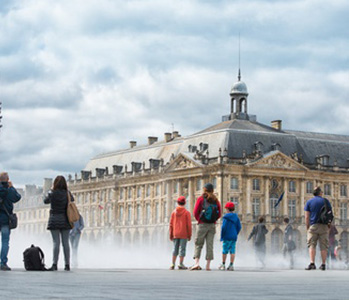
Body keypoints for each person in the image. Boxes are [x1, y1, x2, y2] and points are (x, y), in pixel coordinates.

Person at [44, 175, 73, 271]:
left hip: (54, 219)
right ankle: (67, 264)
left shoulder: (52, 193)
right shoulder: (67, 193)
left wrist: (50, 190)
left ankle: (54, 264)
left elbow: (45, 201)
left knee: (56, 243)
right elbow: (72, 200)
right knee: (66, 243)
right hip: (66, 219)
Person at [190, 183, 221, 271]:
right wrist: (213, 220)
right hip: (212, 225)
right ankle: (208, 265)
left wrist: (200, 219)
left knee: (198, 244)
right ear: (212, 190)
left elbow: (195, 212)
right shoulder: (216, 200)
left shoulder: (201, 199)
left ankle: (197, 263)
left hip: (202, 224)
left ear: (204, 190)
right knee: (210, 245)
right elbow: (219, 214)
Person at [304, 186, 332, 271]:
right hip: (324, 226)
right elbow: (330, 214)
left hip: (313, 225)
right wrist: (329, 226)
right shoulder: (326, 201)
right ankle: (323, 264)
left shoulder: (309, 202)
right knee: (324, 246)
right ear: (320, 193)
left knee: (312, 245)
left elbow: (307, 216)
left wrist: (308, 227)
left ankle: (312, 263)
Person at [0, 172, 21, 271]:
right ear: (7, 179)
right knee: (5, 242)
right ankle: (3, 262)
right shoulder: (9, 190)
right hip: (5, 219)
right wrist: (11, 187)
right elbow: (17, 197)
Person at [169, 196, 192, 270]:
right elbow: (189, 225)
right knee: (182, 249)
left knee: (175, 248)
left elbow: (171, 224)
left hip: (175, 233)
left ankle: (172, 263)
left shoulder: (173, 212)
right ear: (185, 203)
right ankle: (181, 264)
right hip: (184, 233)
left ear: (177, 203)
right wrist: (189, 235)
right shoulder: (186, 213)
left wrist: (171, 234)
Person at [219, 202, 241, 271]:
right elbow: (239, 227)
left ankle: (223, 265)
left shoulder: (226, 217)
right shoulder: (236, 217)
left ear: (228, 209)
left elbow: (224, 227)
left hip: (227, 236)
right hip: (233, 236)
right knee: (232, 251)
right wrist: (235, 233)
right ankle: (231, 265)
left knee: (224, 251)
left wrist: (222, 236)